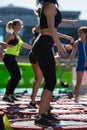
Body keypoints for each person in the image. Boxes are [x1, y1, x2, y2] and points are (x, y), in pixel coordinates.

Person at [31, 0, 77, 127]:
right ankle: (40, 116)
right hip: (44, 44)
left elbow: (55, 22)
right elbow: (51, 27)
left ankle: (45, 113)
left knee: (50, 80)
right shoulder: (50, 6)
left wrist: (69, 22)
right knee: (51, 80)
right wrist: (60, 45)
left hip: (44, 43)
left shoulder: (48, 6)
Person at [2, 19, 32, 103]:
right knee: (16, 76)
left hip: (12, 58)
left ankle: (10, 95)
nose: (20, 27)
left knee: (15, 76)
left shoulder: (18, 37)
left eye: (21, 25)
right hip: (8, 57)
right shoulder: (11, 35)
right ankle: (7, 95)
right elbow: (3, 45)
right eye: (18, 25)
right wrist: (7, 46)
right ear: (14, 26)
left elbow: (25, 45)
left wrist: (35, 48)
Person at [66, 26, 87, 103]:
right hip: (80, 63)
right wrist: (68, 64)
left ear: (86, 33)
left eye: (81, 32)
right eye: (79, 32)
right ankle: (76, 97)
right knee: (79, 81)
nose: (79, 34)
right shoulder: (77, 43)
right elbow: (72, 54)